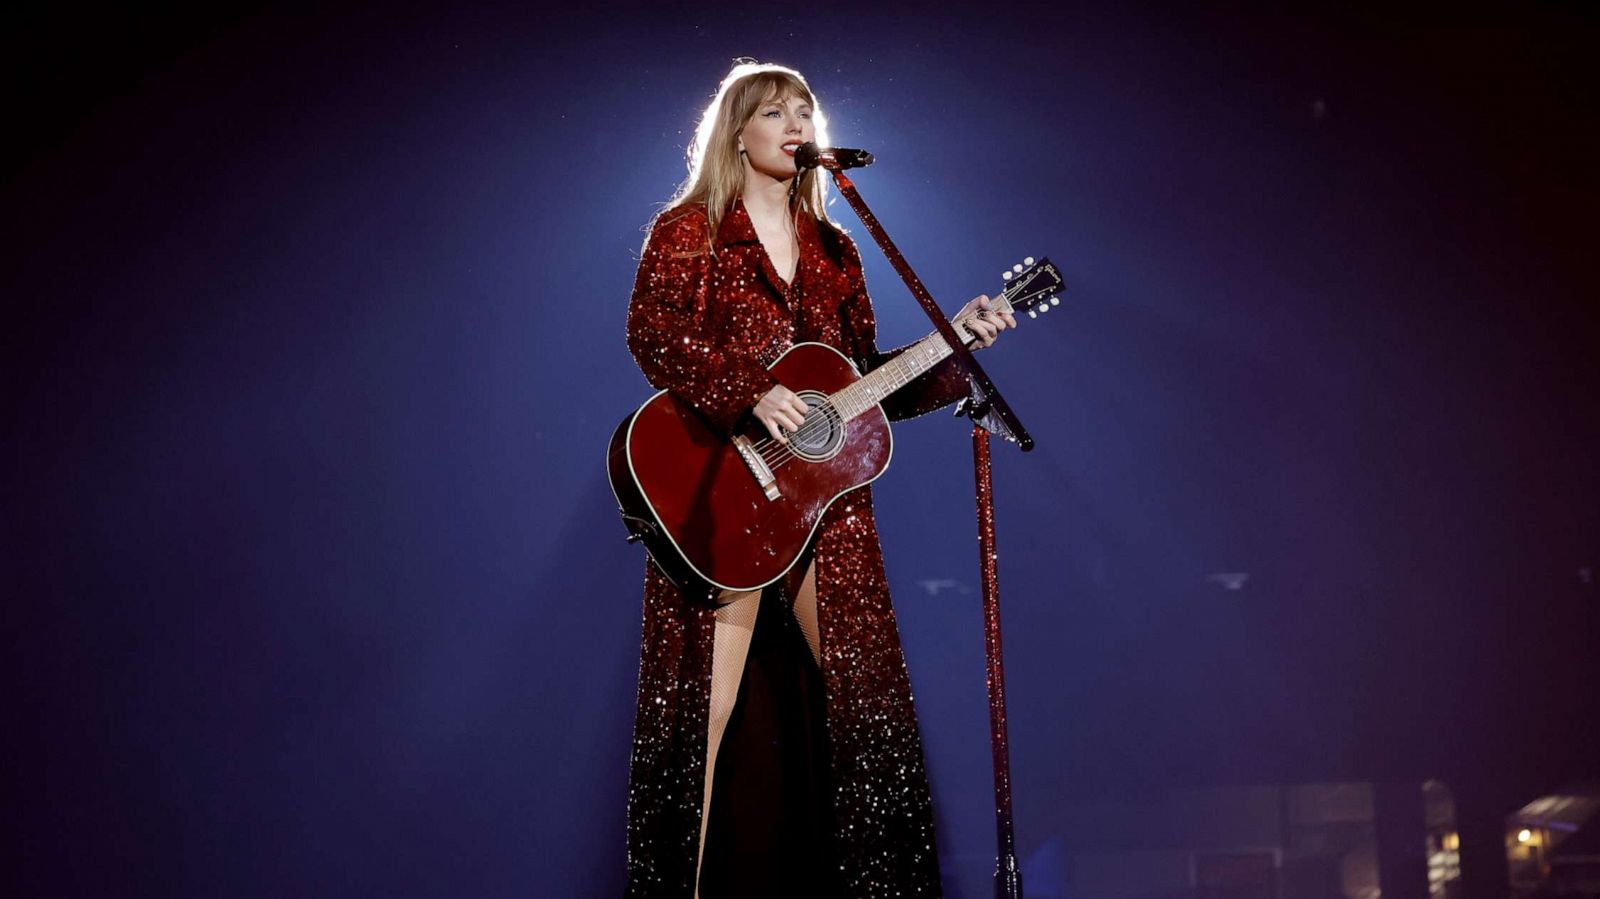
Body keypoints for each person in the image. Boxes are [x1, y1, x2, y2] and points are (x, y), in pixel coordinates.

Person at [622, 60, 1014, 899]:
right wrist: (749, 390)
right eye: (774, 111)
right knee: (702, 719)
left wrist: (956, 349)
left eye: (805, 109)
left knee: (873, 716)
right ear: (737, 131)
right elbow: (651, 332)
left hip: (822, 509)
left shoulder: (837, 250)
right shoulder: (691, 228)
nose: (796, 123)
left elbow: (861, 382)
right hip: (718, 488)